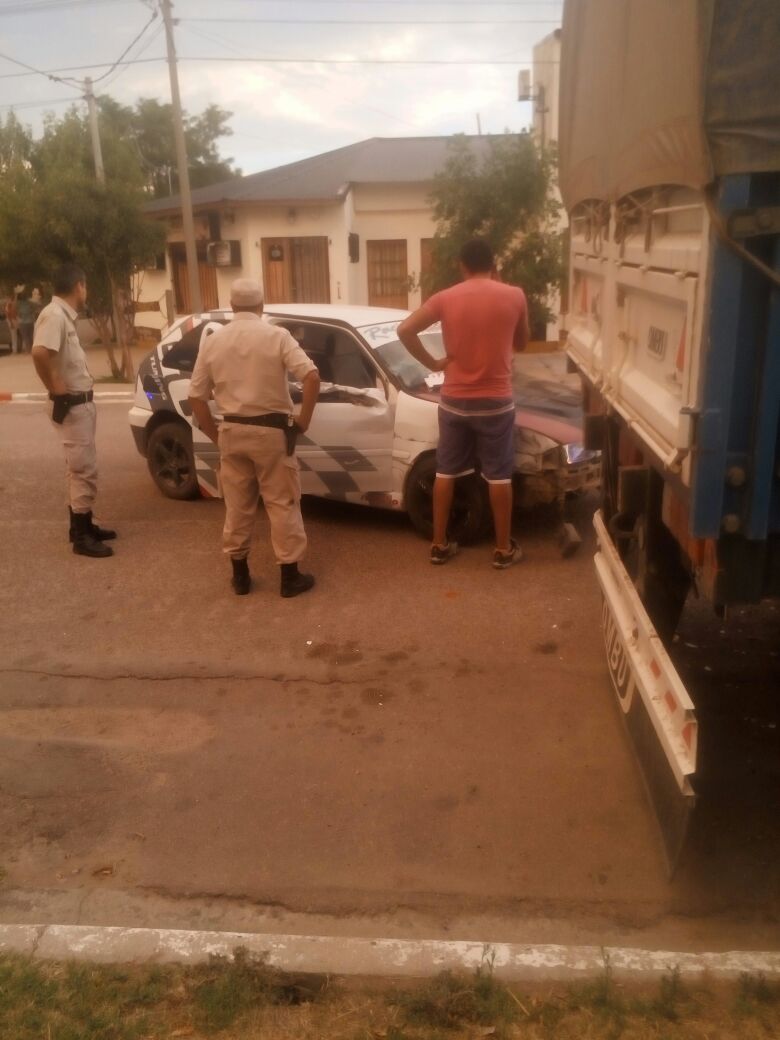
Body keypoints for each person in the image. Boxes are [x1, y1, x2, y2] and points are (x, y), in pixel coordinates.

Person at [398, 238, 529, 568]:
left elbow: (405, 330)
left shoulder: (445, 298)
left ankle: (439, 544)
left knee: (446, 471)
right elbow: (523, 342)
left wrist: (433, 363)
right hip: (496, 402)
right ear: (493, 265)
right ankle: (502, 549)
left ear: (462, 265)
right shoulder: (514, 295)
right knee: (499, 476)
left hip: (455, 399)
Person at [188, 278, 321, 597]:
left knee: (237, 506)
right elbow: (312, 377)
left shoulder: (213, 341)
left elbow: (196, 397)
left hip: (232, 431)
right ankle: (289, 577)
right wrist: (302, 421)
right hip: (272, 434)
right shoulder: (277, 336)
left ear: (232, 306)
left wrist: (216, 435)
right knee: (282, 504)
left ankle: (240, 577)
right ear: (261, 306)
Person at [31, 263, 116, 558]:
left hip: (79, 405)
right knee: (83, 469)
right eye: (85, 286)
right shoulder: (55, 315)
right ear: (79, 286)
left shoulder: (61, 315)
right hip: (72, 405)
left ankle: (83, 524)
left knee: (78, 467)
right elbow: (40, 353)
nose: (86, 291)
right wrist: (54, 385)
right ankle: (81, 537)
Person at [16, 288, 36, 353]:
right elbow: (34, 310)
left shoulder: (18, 304)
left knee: (25, 337)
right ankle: (32, 349)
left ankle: (28, 350)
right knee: (31, 336)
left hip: (22, 322)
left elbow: (17, 312)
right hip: (30, 321)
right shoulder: (30, 303)